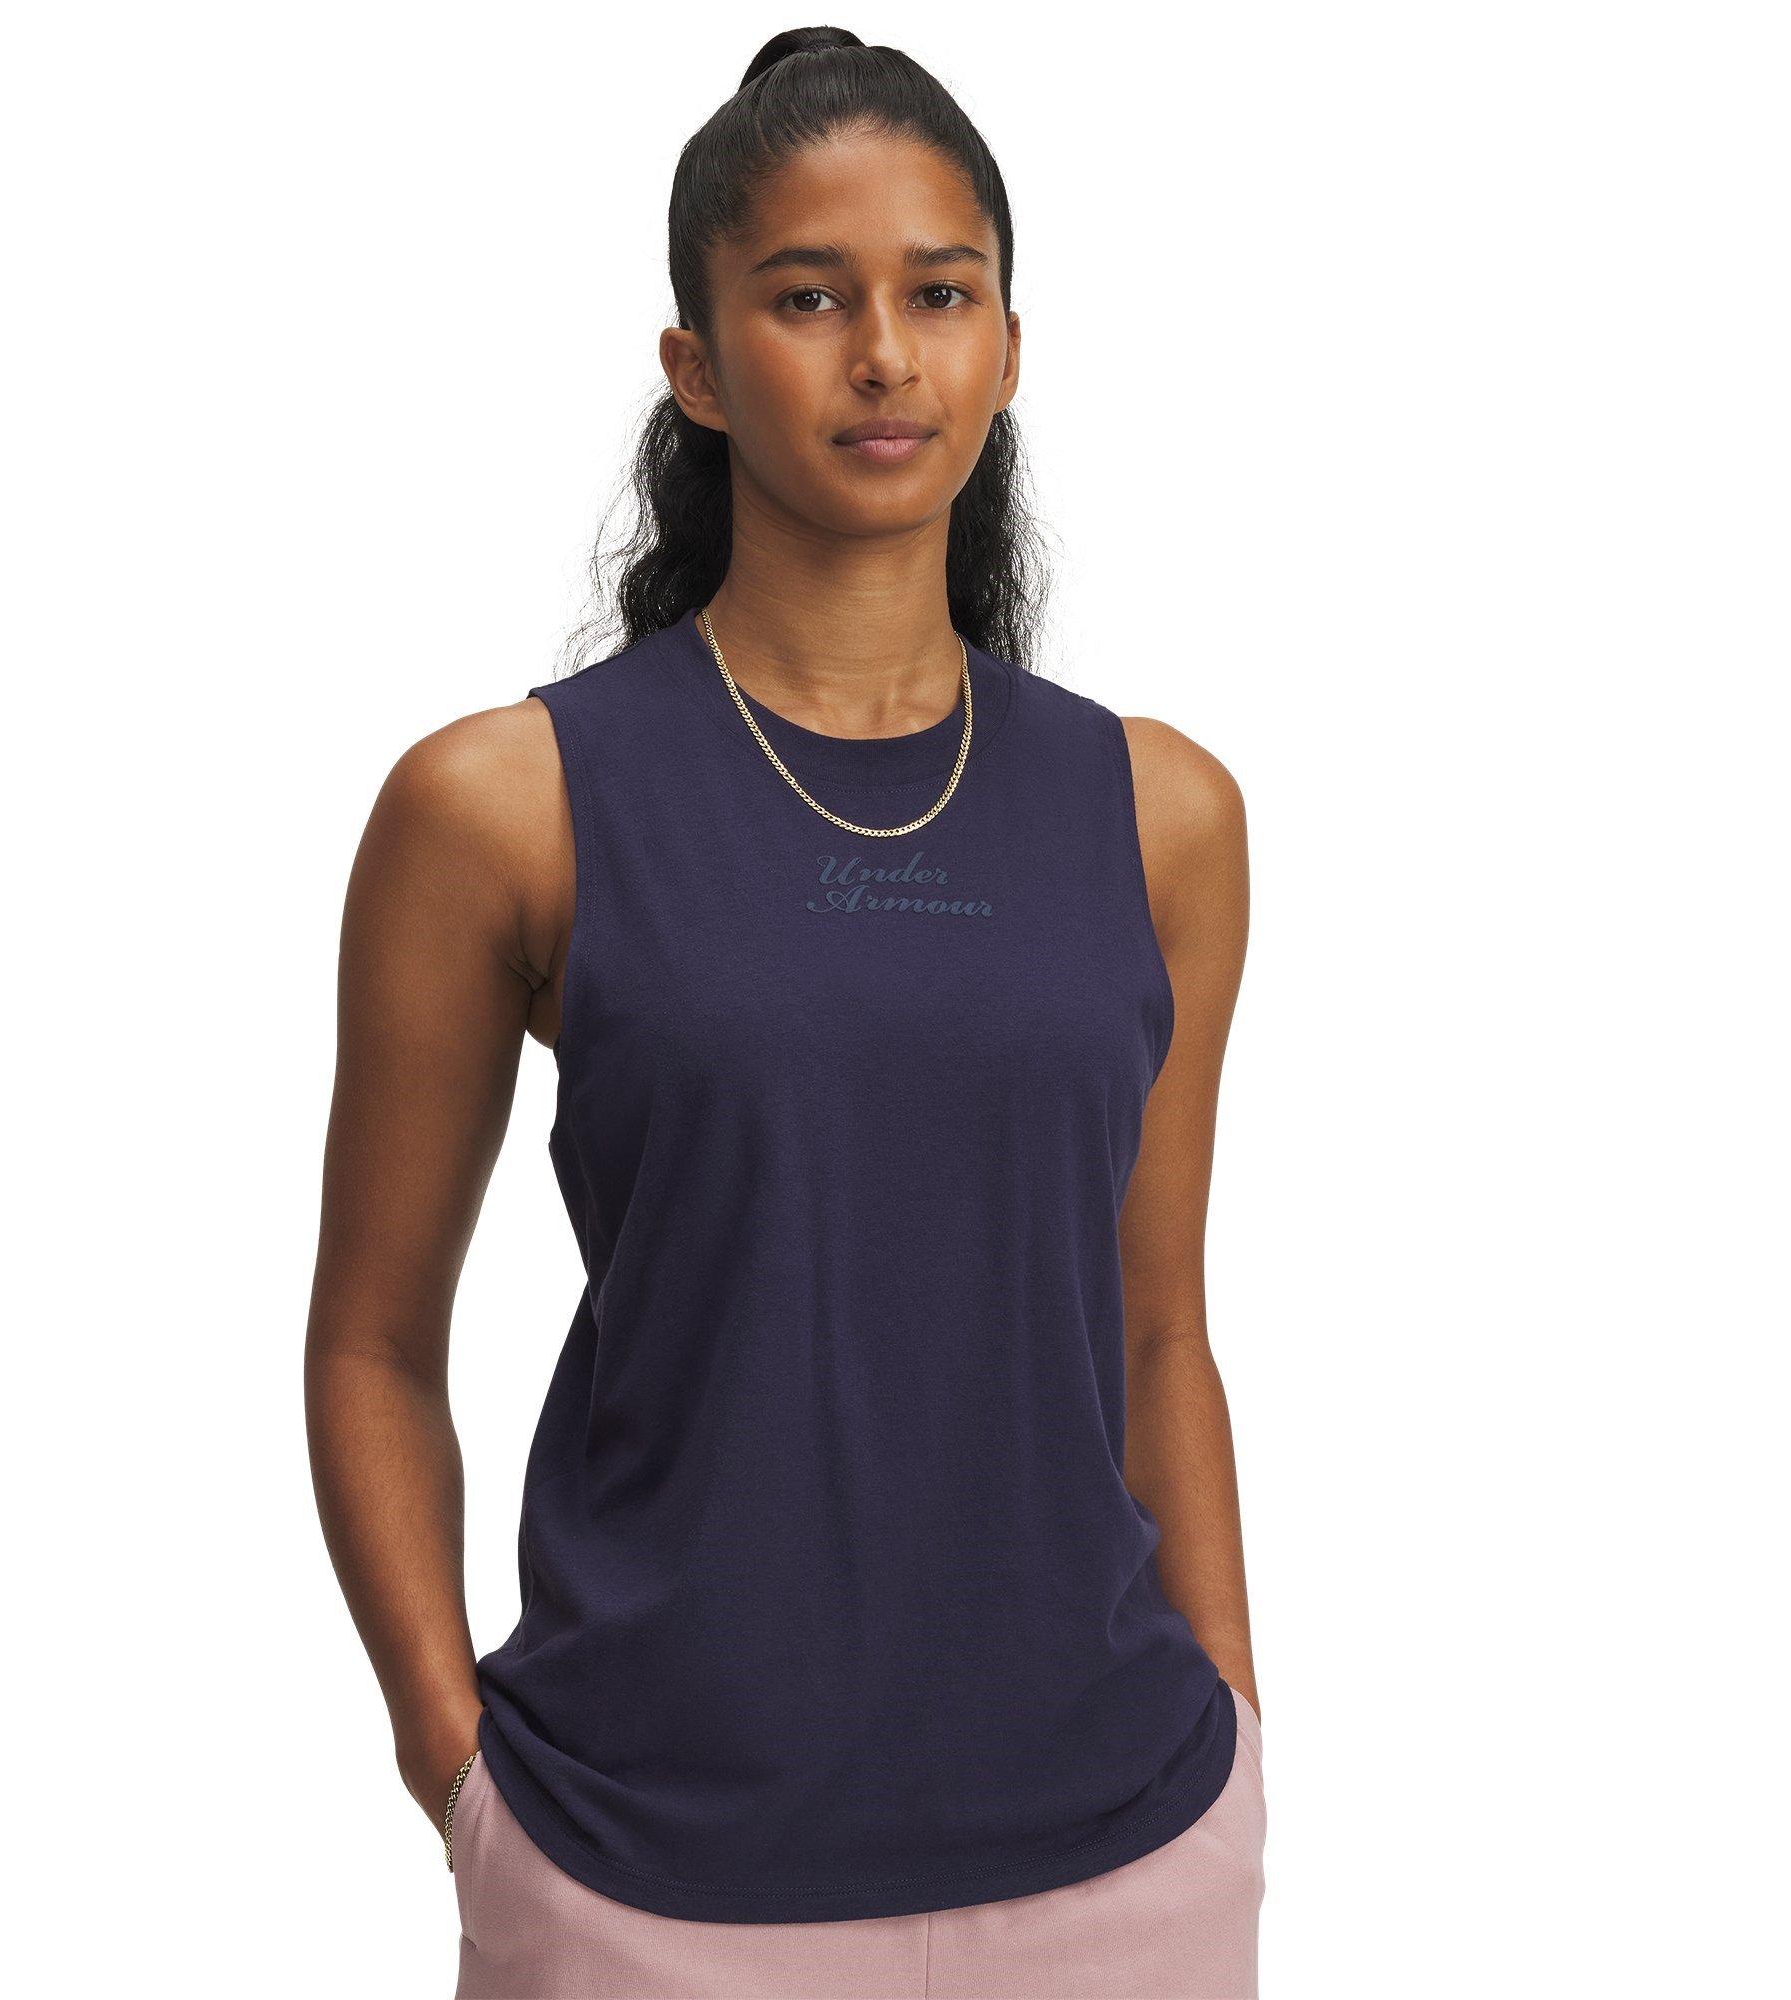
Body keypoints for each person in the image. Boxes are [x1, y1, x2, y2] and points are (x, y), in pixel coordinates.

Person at [306, 26, 1264, 1999]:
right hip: (642, 1876)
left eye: (941, 295)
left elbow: (1159, 1323)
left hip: (1125, 1857)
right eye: (809, 298)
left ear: (1010, 346)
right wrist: (455, 1768)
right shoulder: (504, 805)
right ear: (696, 364)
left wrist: (1236, 1726)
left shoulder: (1158, 812)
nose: (884, 355)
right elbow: (375, 1342)